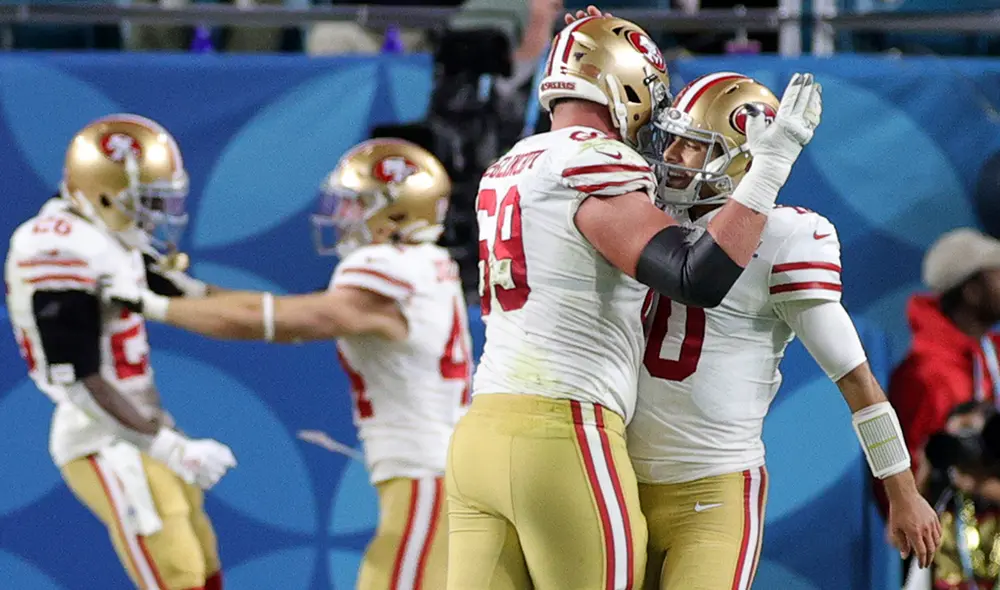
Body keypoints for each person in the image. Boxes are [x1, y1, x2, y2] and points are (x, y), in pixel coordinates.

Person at [442, 12, 819, 589]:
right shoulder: (597, 160)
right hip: (561, 432)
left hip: (478, 434)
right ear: (625, 83)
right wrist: (769, 168)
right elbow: (695, 276)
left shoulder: (508, 165)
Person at [102, 138, 472, 590]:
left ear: (395, 213)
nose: (343, 216)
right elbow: (282, 307)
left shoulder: (385, 268)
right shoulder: (422, 263)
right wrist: (189, 291)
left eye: (357, 205)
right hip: (434, 469)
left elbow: (279, 321)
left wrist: (149, 305)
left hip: (426, 474)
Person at [619, 71, 941, 590]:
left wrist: (901, 490)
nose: (673, 156)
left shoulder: (785, 238)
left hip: (712, 488)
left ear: (743, 158)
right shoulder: (639, 216)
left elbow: (855, 379)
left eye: (693, 146)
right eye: (673, 139)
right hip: (619, 481)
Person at [4, 114, 237, 590]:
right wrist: (167, 446)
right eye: (146, 201)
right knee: (177, 567)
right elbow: (78, 378)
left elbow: (197, 299)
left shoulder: (109, 234)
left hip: (140, 420)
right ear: (103, 192)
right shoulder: (56, 246)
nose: (156, 214)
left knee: (202, 549)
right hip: (100, 434)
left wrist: (300, 315)